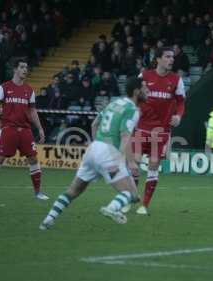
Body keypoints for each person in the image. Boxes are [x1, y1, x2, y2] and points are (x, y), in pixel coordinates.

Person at [39, 77, 148, 230]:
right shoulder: (132, 110)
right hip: (109, 154)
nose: (148, 90)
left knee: (73, 191)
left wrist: (99, 146)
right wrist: (129, 161)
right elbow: (125, 136)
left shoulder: (114, 103)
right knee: (128, 193)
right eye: (145, 88)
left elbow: (94, 123)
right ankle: (111, 209)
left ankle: (48, 220)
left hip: (94, 148)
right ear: (137, 91)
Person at [130, 47, 186, 215]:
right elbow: (134, 94)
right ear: (158, 59)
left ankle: (144, 205)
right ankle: (129, 198)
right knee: (134, 165)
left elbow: (181, 102)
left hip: (161, 130)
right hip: (142, 128)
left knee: (154, 164)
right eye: (167, 57)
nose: (171, 60)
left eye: (172, 57)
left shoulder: (176, 80)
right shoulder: (145, 76)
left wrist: (179, 116)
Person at [0, 59, 49, 200]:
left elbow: (32, 111)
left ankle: (38, 192)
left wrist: (40, 128)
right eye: (22, 67)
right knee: (0, 158)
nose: (25, 70)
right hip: (9, 128)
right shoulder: (3, 88)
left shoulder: (29, 90)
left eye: (26, 67)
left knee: (33, 158)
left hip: (25, 130)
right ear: (15, 69)